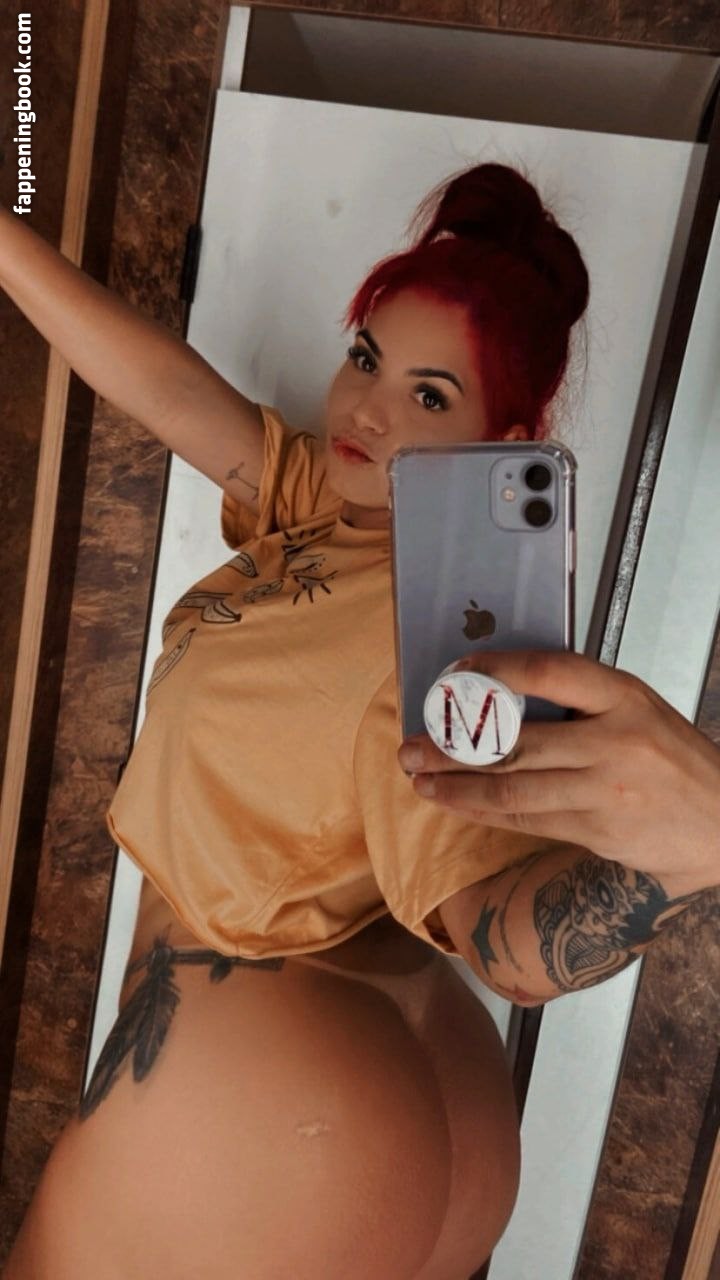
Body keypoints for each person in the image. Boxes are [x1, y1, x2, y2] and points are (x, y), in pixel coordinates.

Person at [2, 161, 718, 1279]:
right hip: (406, 1090)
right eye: (368, 359)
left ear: (506, 437)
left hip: (266, 1113)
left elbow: (500, 934)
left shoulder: (441, 638)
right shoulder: (330, 512)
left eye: (431, 397)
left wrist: (689, 853)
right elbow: (168, 389)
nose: (368, 410)